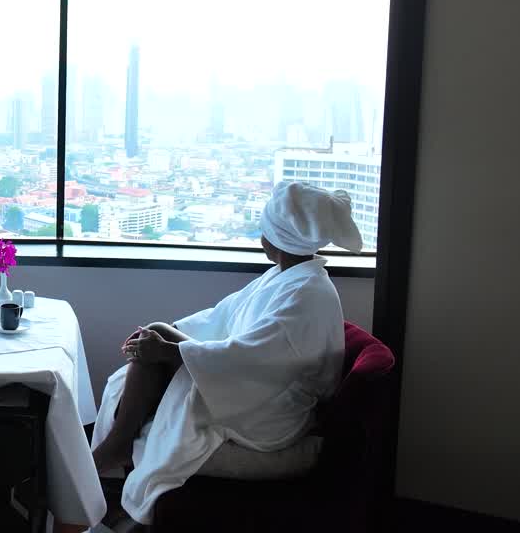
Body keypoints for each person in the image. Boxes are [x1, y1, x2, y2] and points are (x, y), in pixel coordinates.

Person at [89, 181, 363, 524]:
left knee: (160, 341)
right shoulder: (286, 277)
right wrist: (165, 340)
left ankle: (116, 445)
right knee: (157, 332)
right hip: (258, 387)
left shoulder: (307, 294)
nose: (261, 236)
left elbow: (257, 358)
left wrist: (168, 351)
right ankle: (118, 443)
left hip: (274, 408)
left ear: (275, 237)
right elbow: (222, 317)